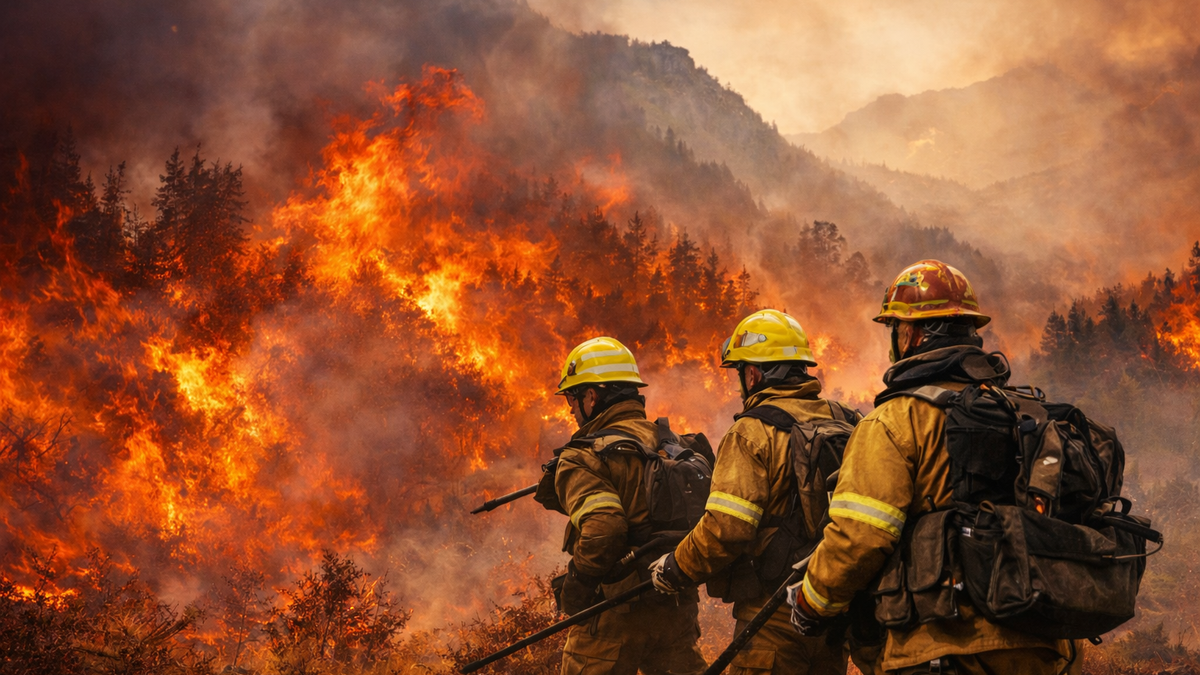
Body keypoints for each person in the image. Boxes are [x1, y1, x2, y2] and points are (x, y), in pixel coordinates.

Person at [789, 259, 1082, 675]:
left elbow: (861, 538)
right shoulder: (1025, 413)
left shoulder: (896, 420)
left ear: (911, 334)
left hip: (941, 645)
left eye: (895, 329)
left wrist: (812, 601)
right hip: (1037, 645)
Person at [651, 309, 854, 675]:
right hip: (832, 613)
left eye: (742, 372)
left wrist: (676, 567)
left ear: (755, 373)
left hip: (773, 617)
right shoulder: (846, 418)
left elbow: (727, 528)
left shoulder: (751, 432)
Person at [552, 336, 707, 675]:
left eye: (572, 398)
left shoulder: (583, 456)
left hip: (613, 614)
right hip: (674, 605)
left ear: (591, 396)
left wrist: (578, 587)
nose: (570, 408)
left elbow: (605, 528)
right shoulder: (674, 445)